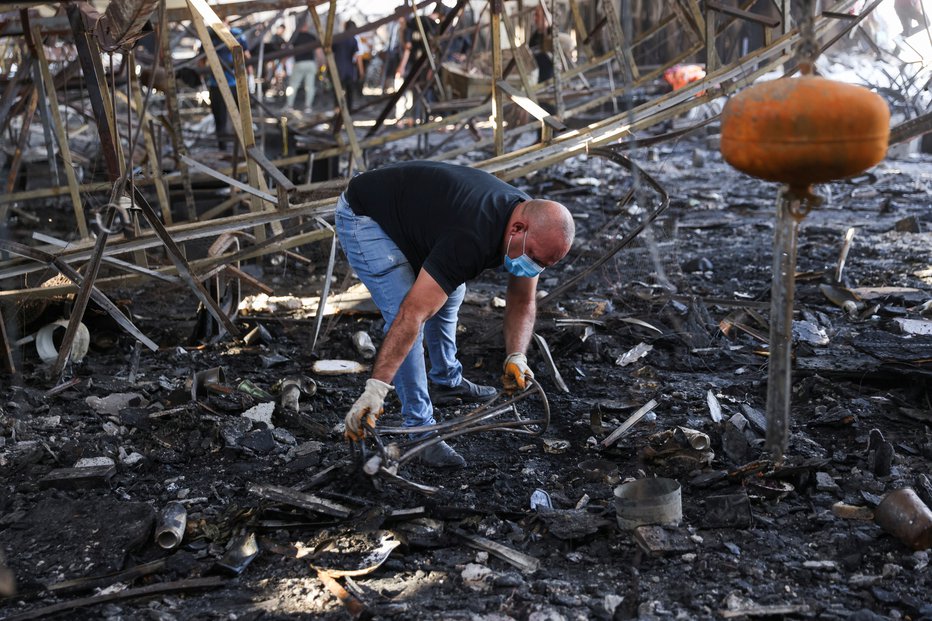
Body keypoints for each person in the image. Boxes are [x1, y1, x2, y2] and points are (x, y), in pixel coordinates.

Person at [336, 161, 575, 468]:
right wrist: (376, 388)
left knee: (451, 293)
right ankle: (419, 432)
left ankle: (446, 380)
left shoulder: (532, 229)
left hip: (420, 216)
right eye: (534, 260)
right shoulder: (473, 235)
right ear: (517, 229)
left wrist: (517, 356)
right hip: (367, 217)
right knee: (405, 307)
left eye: (543, 265)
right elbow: (411, 317)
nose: (534, 269)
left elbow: (522, 300)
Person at [199, 20, 250, 150]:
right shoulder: (209, 36)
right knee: (220, 118)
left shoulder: (236, 34)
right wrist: (201, 75)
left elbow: (246, 55)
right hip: (216, 85)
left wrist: (249, 75)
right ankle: (223, 147)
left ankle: (246, 144)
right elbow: (200, 60)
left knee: (243, 116)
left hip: (236, 84)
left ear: (227, 23)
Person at [286, 20, 324, 112]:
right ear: (306, 26)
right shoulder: (312, 37)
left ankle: (289, 106)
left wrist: (283, 63)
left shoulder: (295, 37)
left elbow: (287, 51)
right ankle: (308, 107)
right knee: (310, 86)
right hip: (310, 64)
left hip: (299, 63)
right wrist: (321, 64)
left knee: (293, 85)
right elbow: (319, 53)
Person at [331, 20, 360, 111]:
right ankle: (349, 109)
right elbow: (355, 56)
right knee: (349, 91)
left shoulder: (338, 38)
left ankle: (337, 109)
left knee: (337, 90)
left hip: (338, 68)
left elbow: (332, 51)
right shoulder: (354, 40)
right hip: (349, 69)